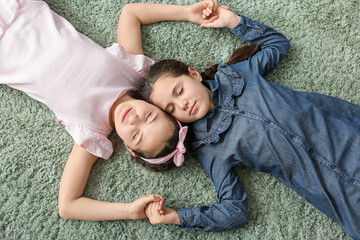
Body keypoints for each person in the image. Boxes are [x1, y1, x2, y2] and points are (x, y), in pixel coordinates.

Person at [139, 6, 360, 240]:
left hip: (347, 134)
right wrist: (178, 217)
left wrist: (234, 21)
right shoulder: (210, 149)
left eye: (179, 91)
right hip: (344, 197)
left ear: (193, 74)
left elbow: (277, 45)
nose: (182, 104)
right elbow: (235, 210)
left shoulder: (238, 74)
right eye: (172, 108)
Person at [0, 0, 221, 221]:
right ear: (156, 105)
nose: (134, 119)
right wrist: (185, 12)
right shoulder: (132, 72)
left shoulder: (91, 132)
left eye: (136, 134)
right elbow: (131, 13)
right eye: (149, 115)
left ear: (129, 148)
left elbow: (68, 205)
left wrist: (129, 212)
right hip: (25, 10)